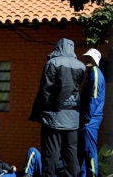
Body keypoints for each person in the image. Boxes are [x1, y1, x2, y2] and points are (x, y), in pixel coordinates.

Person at [29, 38, 86, 177]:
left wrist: (41, 112)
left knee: (51, 155)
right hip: (73, 118)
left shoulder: (52, 63)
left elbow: (45, 91)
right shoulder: (81, 66)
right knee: (71, 155)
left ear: (58, 47)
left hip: (53, 118)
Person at [78, 48, 105, 177]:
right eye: (86, 57)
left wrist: (87, 119)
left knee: (90, 150)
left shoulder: (95, 72)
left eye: (89, 58)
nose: (87, 60)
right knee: (84, 151)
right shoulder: (92, 73)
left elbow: (94, 98)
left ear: (95, 60)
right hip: (89, 119)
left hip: (91, 119)